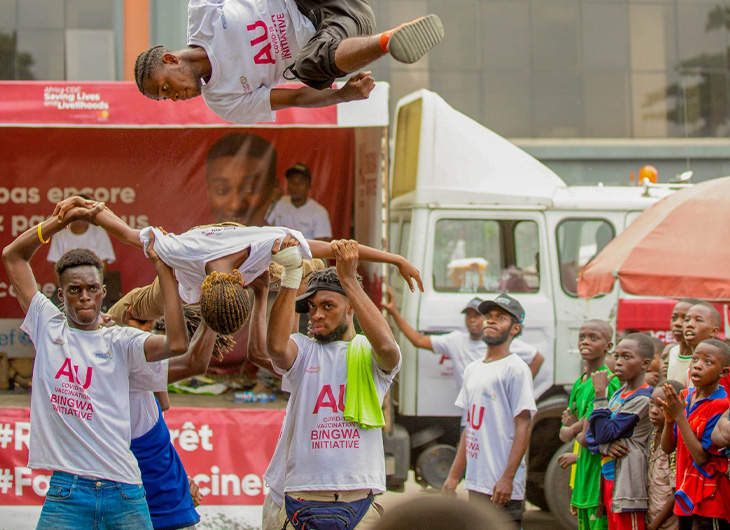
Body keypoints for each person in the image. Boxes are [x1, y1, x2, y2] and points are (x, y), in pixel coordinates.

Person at [1, 204, 189, 529]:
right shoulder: (48, 326)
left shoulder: (121, 340)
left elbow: (177, 344)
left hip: (125, 489)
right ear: (61, 295)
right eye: (74, 290)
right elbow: (12, 256)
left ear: (103, 292)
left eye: (91, 289)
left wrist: (163, 268)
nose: (84, 297)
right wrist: (60, 221)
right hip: (67, 491)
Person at [54, 196, 422, 338]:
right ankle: (106, 322)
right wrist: (84, 207)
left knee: (300, 259)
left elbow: (338, 247)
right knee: (133, 309)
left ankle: (280, 273)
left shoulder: (266, 241)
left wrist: (397, 259)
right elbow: (122, 230)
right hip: (183, 271)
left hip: (238, 245)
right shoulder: (178, 250)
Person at [266, 240, 401, 529]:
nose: (316, 315)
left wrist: (349, 280)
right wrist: (291, 275)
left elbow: (389, 349)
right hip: (302, 496)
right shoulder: (304, 349)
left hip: (358, 498)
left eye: (328, 306)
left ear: (351, 305)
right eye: (312, 307)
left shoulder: (369, 352)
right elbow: (276, 348)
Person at [134, 0, 444, 124]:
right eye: (165, 99)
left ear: (170, 59)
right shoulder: (224, 101)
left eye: (165, 87)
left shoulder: (203, 13)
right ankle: (389, 40)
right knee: (306, 66)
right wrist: (342, 95)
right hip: (341, 29)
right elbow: (295, 97)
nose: (173, 97)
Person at [442, 294, 537, 528]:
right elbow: (470, 428)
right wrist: (453, 476)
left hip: (501, 486)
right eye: (489, 316)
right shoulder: (473, 369)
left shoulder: (516, 369)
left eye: (500, 318)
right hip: (477, 482)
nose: (491, 321)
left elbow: (523, 425)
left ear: (515, 328)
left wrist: (507, 478)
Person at [382, 289, 544, 382]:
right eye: (468, 316)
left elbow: (537, 358)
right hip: (469, 415)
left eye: (477, 316)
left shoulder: (502, 344)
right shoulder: (456, 341)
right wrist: (394, 312)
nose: (472, 320)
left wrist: (520, 387)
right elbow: (418, 340)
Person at [659, 339, 730, 530]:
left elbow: (701, 457)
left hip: (709, 497)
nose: (698, 365)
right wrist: (669, 420)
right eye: (695, 359)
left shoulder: (721, 405)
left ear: (723, 372)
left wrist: (679, 416)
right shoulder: (686, 396)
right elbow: (667, 448)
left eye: (708, 362)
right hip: (685, 491)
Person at [586, 333, 655, 530]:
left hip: (629, 484)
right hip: (610, 477)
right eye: (616, 356)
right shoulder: (618, 394)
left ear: (645, 364)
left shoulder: (643, 399)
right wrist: (605, 447)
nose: (618, 362)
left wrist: (600, 395)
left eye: (626, 357)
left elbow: (604, 433)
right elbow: (590, 434)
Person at [559, 319, 620, 530]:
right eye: (582, 337)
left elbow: (587, 437)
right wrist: (577, 426)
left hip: (599, 478)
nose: (585, 342)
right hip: (582, 480)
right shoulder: (580, 382)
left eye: (593, 338)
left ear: (608, 346)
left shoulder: (608, 382)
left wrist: (575, 427)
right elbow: (564, 434)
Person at [205, 132, 282, 226]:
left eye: (250, 189)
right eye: (222, 190)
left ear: (274, 191)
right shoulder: (195, 235)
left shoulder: (286, 236)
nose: (235, 206)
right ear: (209, 194)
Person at [46, 199, 116, 280]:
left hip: (93, 281)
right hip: (67, 283)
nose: (80, 216)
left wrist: (94, 285)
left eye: (83, 212)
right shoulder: (60, 234)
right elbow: (56, 266)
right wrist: (64, 287)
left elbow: (103, 263)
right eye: (76, 212)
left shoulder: (99, 232)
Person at [647, 380, 684, 530]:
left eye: (661, 406)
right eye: (652, 403)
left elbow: (676, 492)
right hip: (653, 514)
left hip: (669, 522)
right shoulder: (653, 433)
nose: (654, 410)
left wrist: (655, 524)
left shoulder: (674, 443)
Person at [266, 163, 332, 240]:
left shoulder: (319, 212)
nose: (296, 186)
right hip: (278, 246)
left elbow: (321, 244)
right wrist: (269, 201)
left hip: (306, 248)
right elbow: (264, 228)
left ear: (309, 185)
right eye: (292, 181)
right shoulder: (278, 202)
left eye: (301, 181)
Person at [665, 299, 704, 384]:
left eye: (686, 319)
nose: (677, 323)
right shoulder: (673, 352)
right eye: (674, 318)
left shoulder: (704, 359)